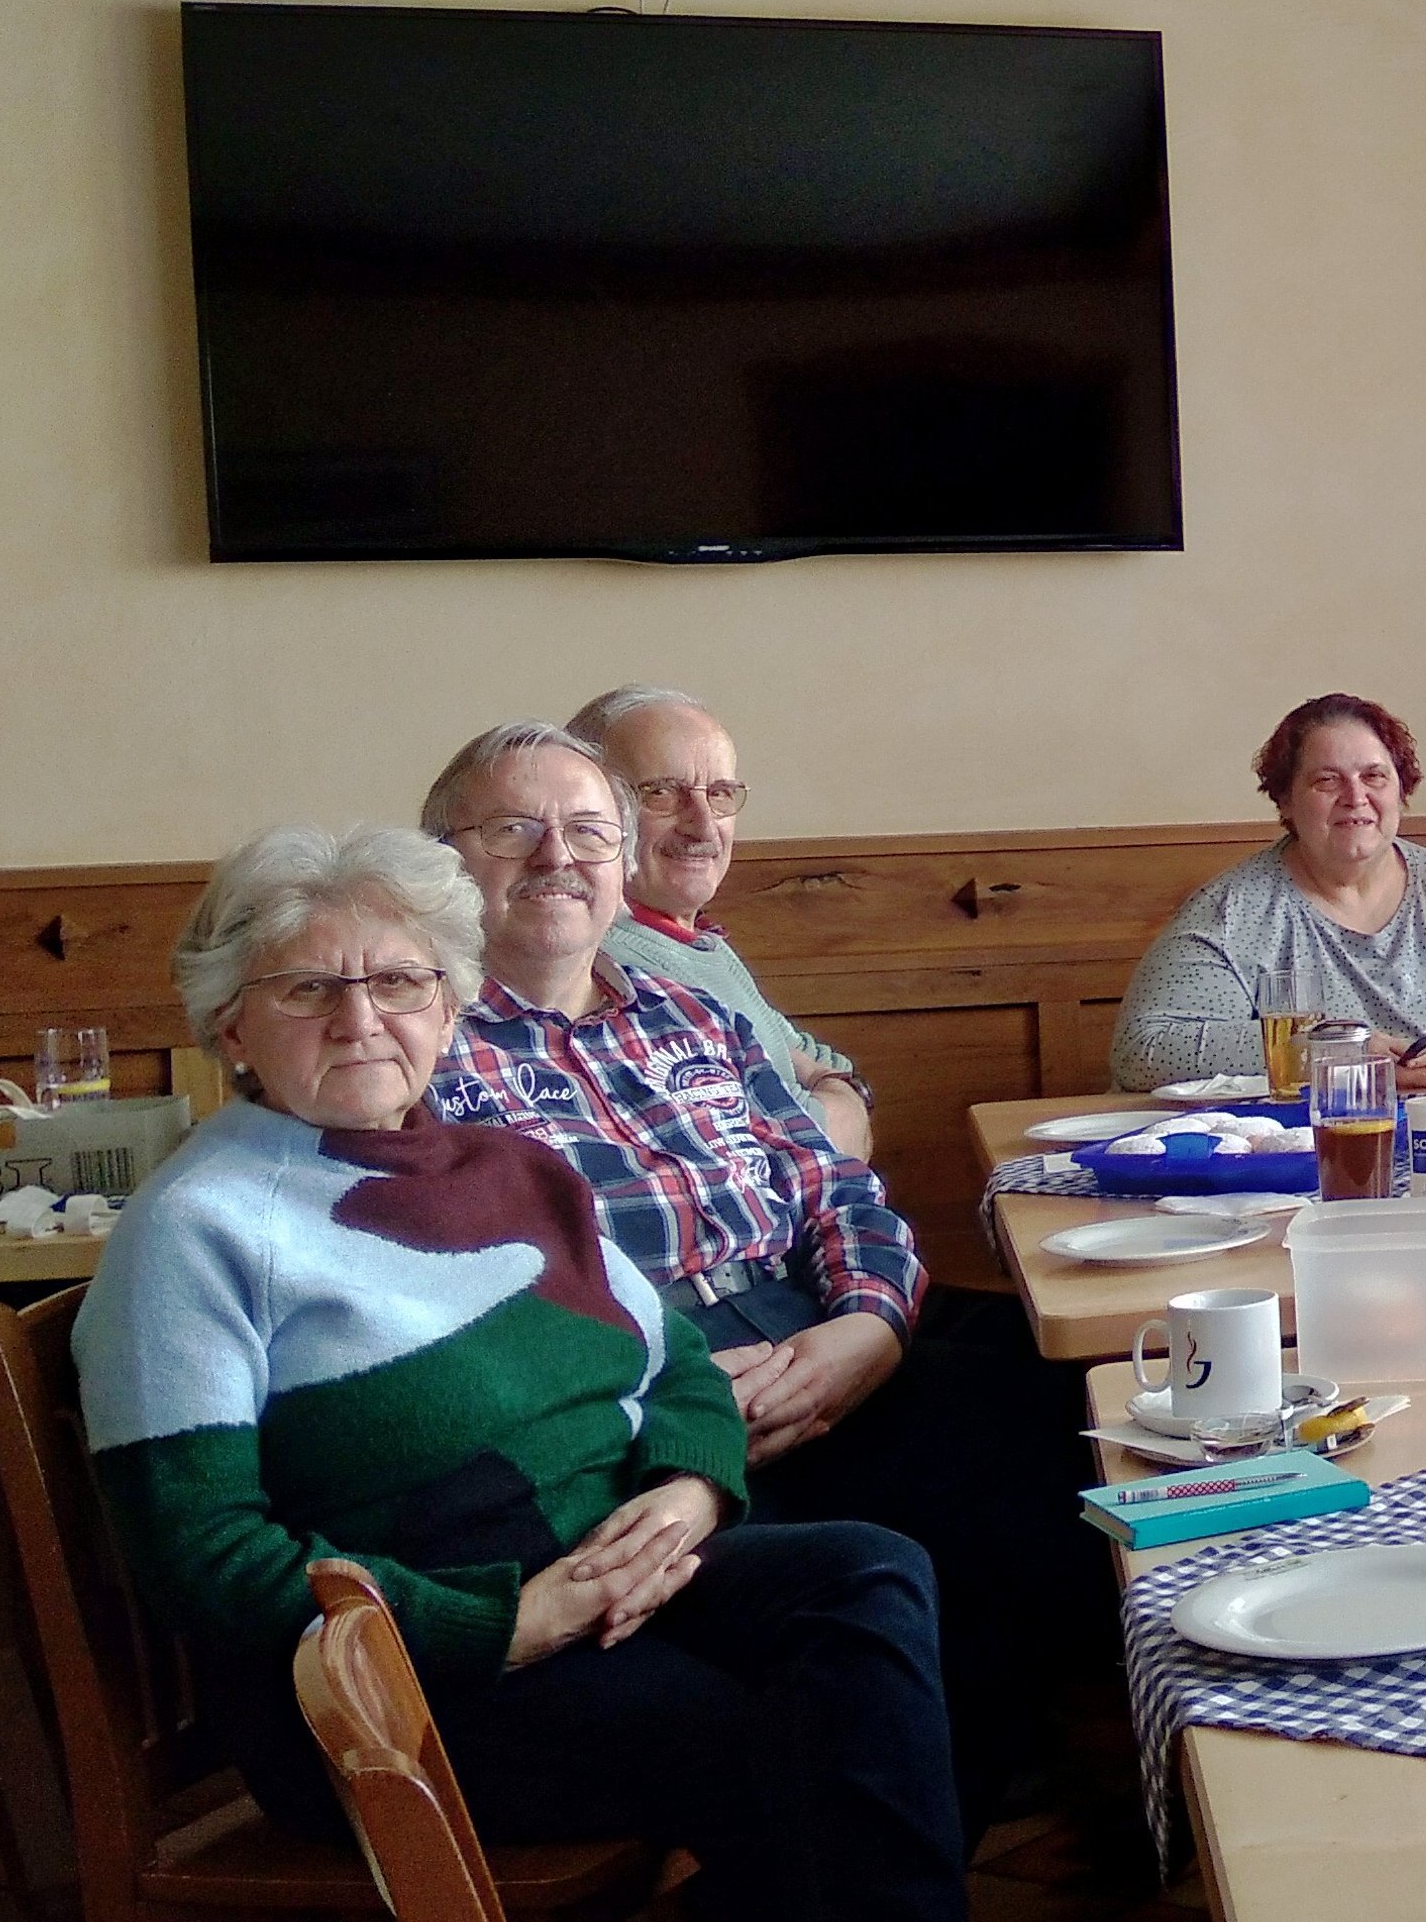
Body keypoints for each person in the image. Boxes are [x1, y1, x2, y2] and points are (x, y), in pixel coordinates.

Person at [73, 823, 1138, 1922]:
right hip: (381, 1683)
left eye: (397, 980)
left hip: (609, 1577)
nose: (362, 1016)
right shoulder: (198, 1231)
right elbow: (199, 1555)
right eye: (308, 988)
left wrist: (693, 1495)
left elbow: (682, 1373)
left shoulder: (508, 1166)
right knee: (768, 1730)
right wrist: (496, 1625)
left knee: (875, 1571)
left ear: (451, 1003)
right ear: (226, 1021)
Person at [411, 721, 1109, 1849]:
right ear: (445, 860)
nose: (557, 855)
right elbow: (461, 1306)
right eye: (512, 829)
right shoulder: (421, 1051)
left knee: (1067, 1423)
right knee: (870, 1561)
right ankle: (916, 1871)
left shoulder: (694, 1014)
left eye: (588, 829)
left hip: (806, 1328)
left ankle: (1029, 1794)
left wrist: (871, 1327)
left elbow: (839, 1191)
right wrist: (663, 1390)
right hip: (643, 1394)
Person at [1109, 693, 1426, 1092]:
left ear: (1401, 790)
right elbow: (1145, 1049)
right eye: (1327, 780)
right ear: (1284, 800)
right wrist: (1334, 1052)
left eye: (1375, 777)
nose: (1355, 796)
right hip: (1305, 1160)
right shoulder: (1234, 912)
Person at [569, 682, 872, 1158]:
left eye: (720, 794)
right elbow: (790, 1150)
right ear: (591, 812)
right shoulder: (609, 968)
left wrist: (831, 1089)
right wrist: (841, 1101)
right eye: (662, 793)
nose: (703, 825)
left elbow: (817, 1061)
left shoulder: (696, 944)